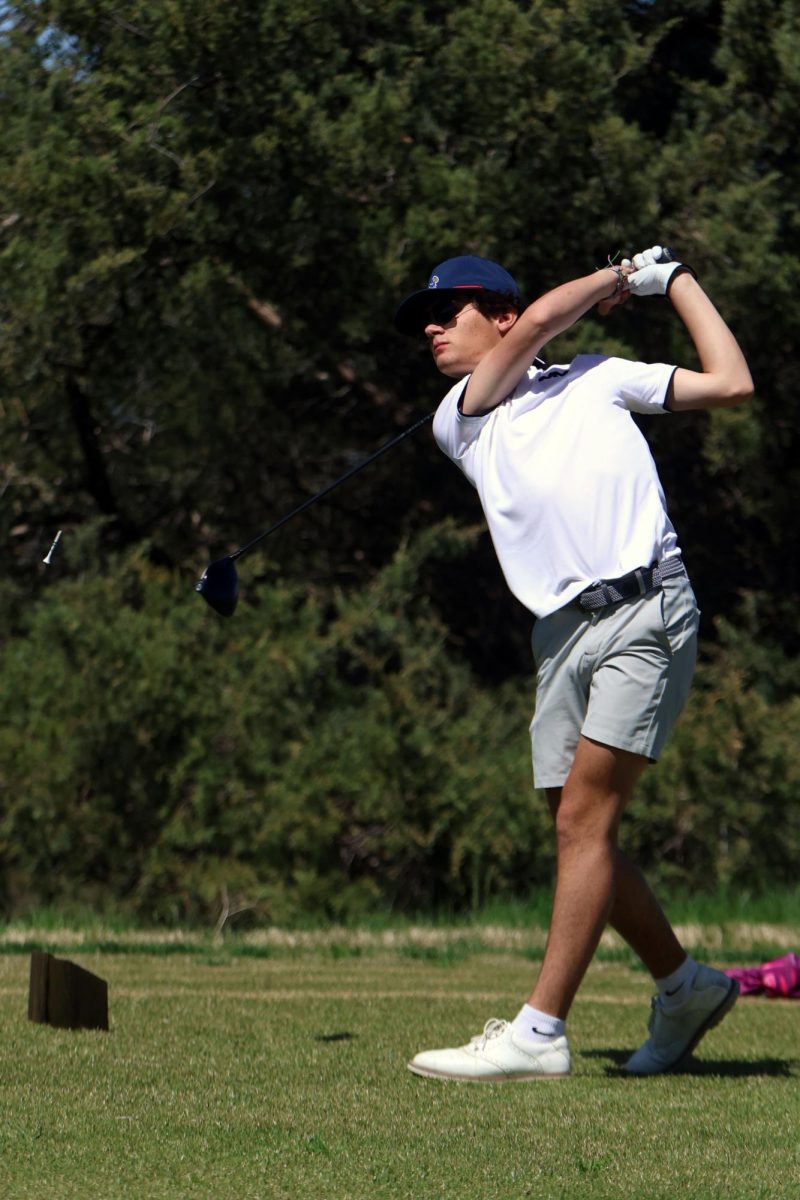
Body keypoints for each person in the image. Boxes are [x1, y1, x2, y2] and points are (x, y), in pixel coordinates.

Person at [393, 245, 753, 1080]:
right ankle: (684, 985)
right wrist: (615, 278)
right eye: (426, 322)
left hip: (646, 609)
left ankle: (540, 1032)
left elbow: (730, 380)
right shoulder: (465, 413)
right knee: (576, 827)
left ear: (503, 314)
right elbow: (556, 314)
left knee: (581, 824)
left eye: (451, 311)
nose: (433, 330)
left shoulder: (599, 376)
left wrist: (676, 283)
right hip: (557, 636)